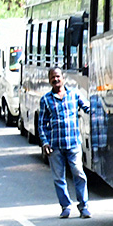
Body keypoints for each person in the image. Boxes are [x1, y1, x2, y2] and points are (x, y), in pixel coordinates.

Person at [38, 66, 91, 218]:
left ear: (63, 78)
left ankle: (84, 207)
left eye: (58, 77)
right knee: (59, 178)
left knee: (79, 174)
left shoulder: (74, 95)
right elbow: (42, 124)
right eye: (52, 78)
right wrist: (45, 143)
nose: (56, 79)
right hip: (55, 146)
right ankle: (65, 207)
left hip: (73, 143)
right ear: (49, 81)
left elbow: (87, 108)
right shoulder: (46, 100)